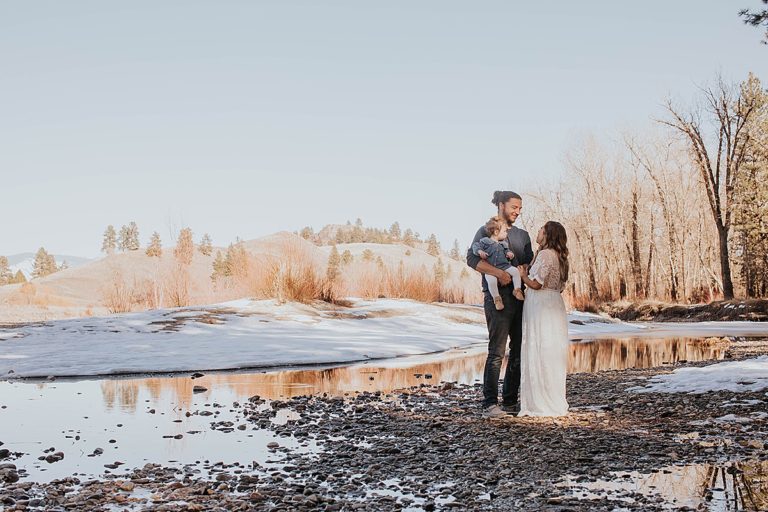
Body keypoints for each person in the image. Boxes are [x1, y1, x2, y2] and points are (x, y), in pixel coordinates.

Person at [466, 191, 533, 418]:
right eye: (514, 207)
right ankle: (489, 405)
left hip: (519, 297)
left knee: (517, 350)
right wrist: (499, 274)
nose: (517, 211)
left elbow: (526, 265)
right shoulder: (486, 230)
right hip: (496, 299)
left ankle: (511, 401)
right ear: (501, 205)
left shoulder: (523, 236)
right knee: (496, 352)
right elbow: (472, 259)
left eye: (520, 208)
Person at [517, 221, 570, 417]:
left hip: (541, 304)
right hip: (554, 301)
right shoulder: (560, 256)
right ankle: (552, 396)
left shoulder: (547, 254)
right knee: (550, 350)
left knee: (539, 348)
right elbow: (560, 285)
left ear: (548, 234)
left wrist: (523, 275)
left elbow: (536, 284)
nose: (538, 232)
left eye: (541, 229)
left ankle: (541, 401)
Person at [471, 216, 525, 309]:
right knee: (491, 281)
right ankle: (497, 299)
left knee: (516, 271)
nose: (506, 233)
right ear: (496, 232)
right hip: (491, 268)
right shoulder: (485, 241)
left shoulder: (503, 244)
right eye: (504, 231)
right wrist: (480, 251)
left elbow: (507, 251)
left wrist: (509, 253)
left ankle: (517, 290)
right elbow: (475, 246)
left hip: (504, 266)